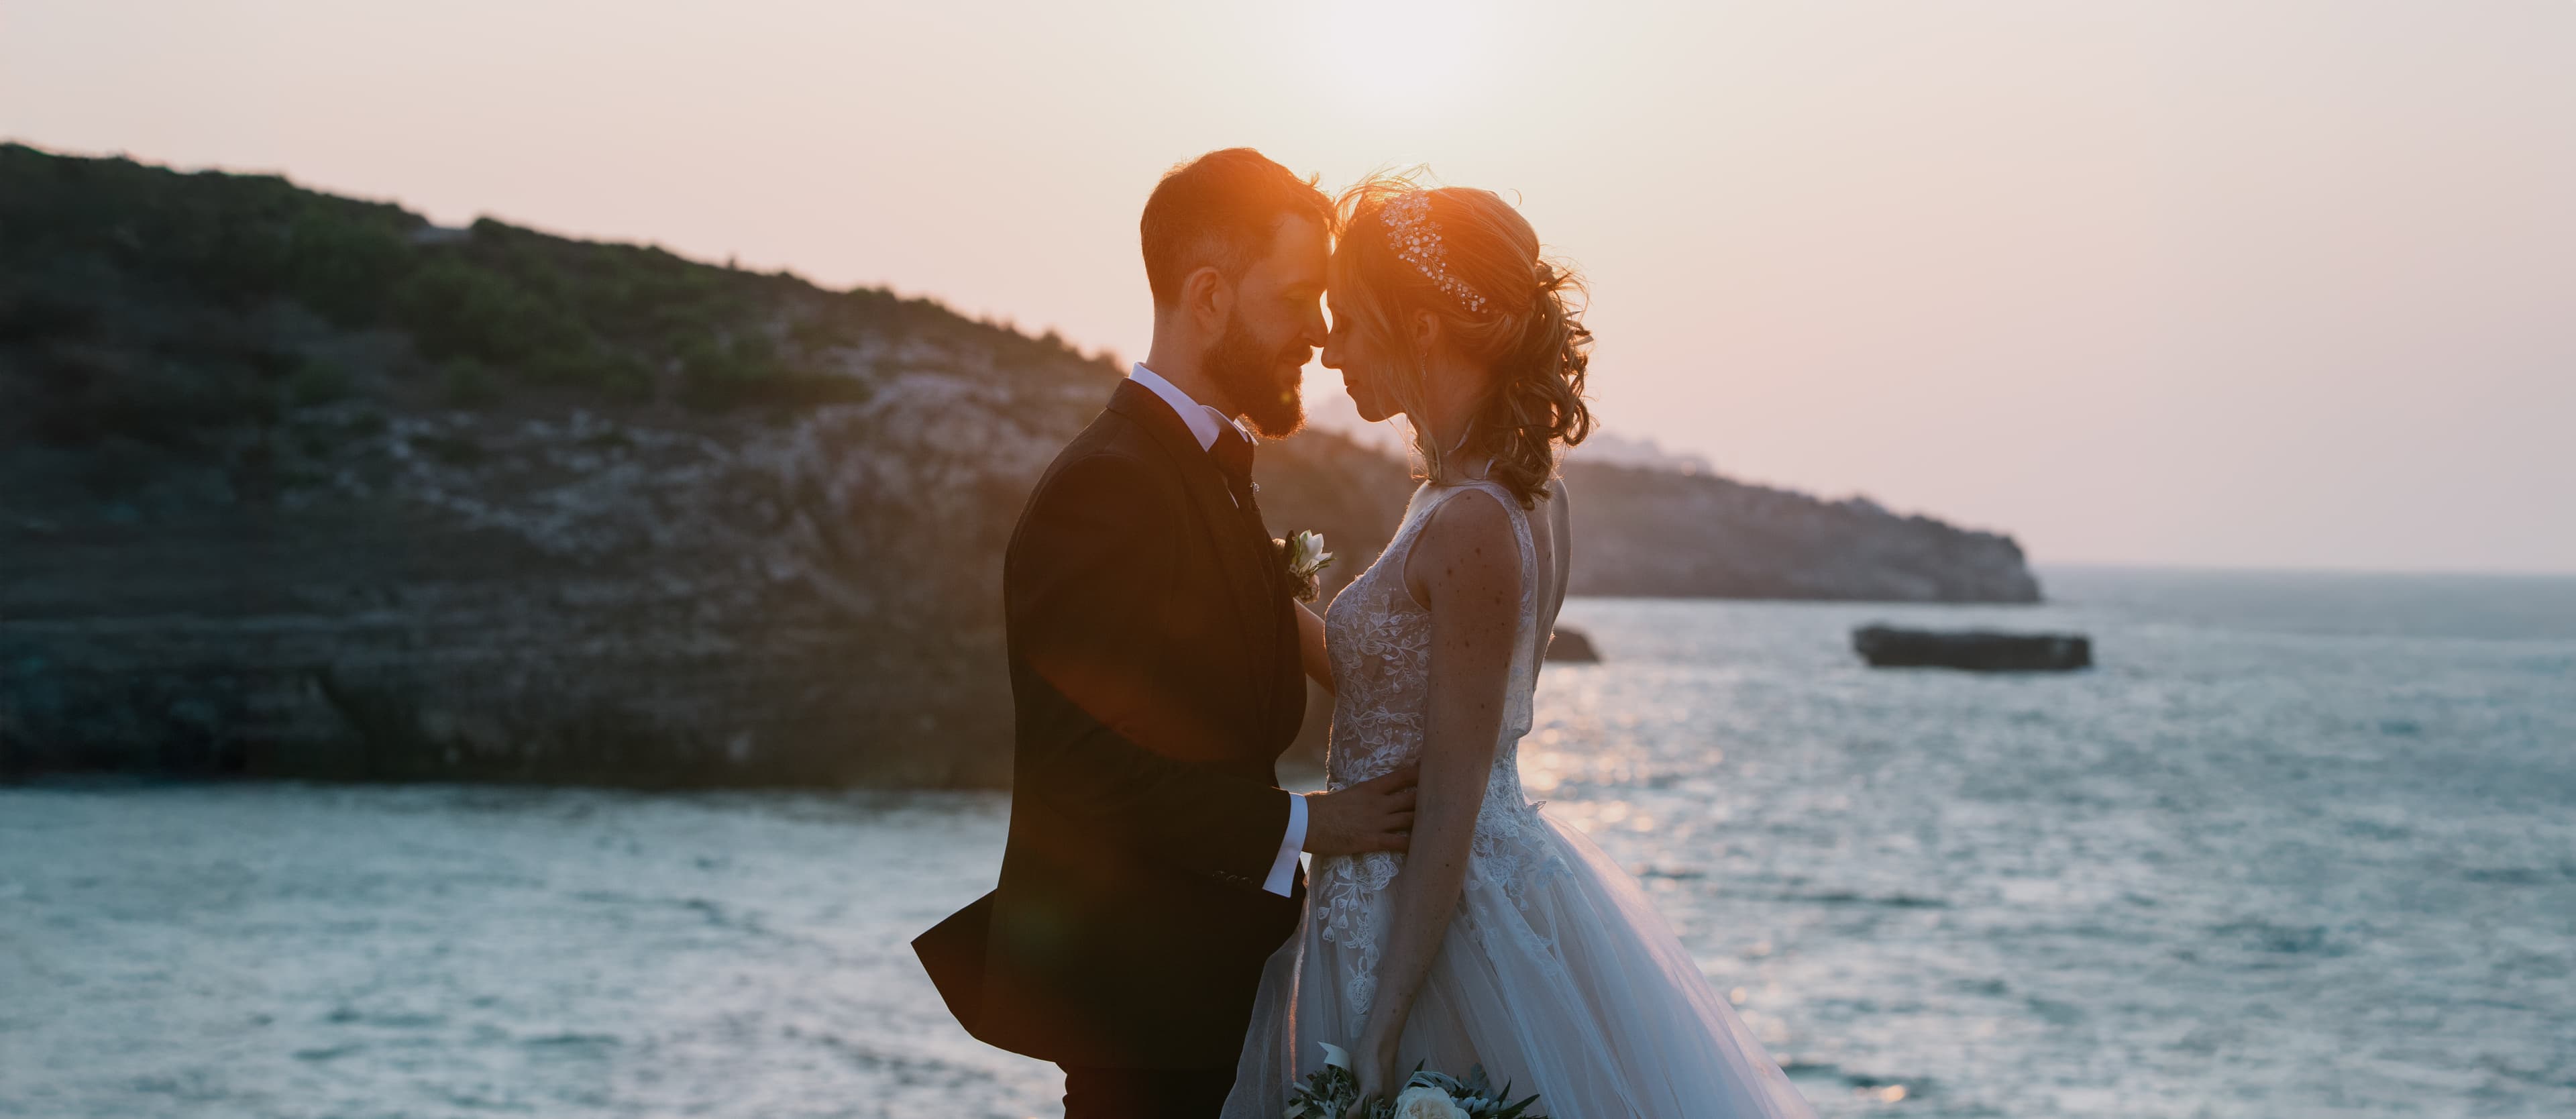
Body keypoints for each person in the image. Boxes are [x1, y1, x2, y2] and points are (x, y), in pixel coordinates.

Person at [1220, 176, 1819, 1118]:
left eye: (1350, 322)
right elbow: (1404, 695)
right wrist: (1253, 583)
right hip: (1403, 892)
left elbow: (1454, 792)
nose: (1329, 350)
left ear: (1422, 327)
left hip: (1429, 924)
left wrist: (1384, 1022)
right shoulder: (1507, 496)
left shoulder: (1472, 521)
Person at [911, 148, 1419, 1119]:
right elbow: (1085, 769)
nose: (1319, 332)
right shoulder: (1109, 487)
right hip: (1143, 1030)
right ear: (1211, 298)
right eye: (1298, 298)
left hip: (1219, 999)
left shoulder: (1200, 471)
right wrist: (1317, 824)